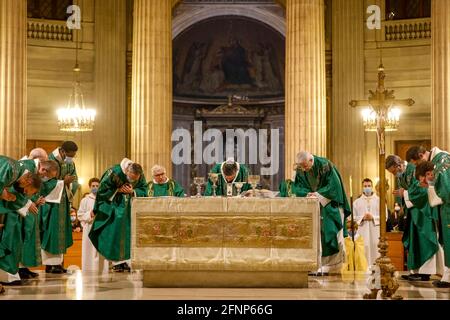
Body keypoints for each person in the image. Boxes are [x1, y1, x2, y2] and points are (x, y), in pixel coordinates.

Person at [279, 151, 351, 274]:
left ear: (311, 160)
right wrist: (307, 194)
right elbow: (297, 186)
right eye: (302, 167)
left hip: (329, 203)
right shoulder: (301, 168)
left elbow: (334, 186)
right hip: (313, 205)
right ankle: (315, 264)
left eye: (306, 166)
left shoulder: (325, 165)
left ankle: (332, 266)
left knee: (328, 231)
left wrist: (318, 194)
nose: (304, 170)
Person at [89, 159, 148, 273]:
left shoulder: (139, 173)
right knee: (114, 232)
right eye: (130, 178)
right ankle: (116, 262)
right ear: (126, 171)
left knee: (128, 233)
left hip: (130, 208)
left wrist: (133, 191)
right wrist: (117, 190)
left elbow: (144, 189)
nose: (131, 181)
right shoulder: (113, 172)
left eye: (134, 179)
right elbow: (102, 190)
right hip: (113, 208)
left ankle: (125, 261)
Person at [408, 146, 450, 288]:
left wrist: (432, 187)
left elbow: (446, 190)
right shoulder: (437, 162)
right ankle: (448, 275)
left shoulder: (441, 161)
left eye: (417, 163)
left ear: (421, 155)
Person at [40, 141, 80, 274]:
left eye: (73, 156)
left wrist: (70, 184)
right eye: (70, 155)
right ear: (62, 151)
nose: (71, 158)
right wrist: (63, 182)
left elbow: (75, 180)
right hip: (50, 203)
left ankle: (58, 264)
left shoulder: (70, 163)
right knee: (52, 232)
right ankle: (50, 265)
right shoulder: (49, 160)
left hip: (63, 201)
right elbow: (44, 182)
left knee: (61, 233)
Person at [18, 152, 59, 280]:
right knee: (23, 236)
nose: (45, 179)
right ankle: (19, 268)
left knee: (29, 236)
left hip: (29, 209)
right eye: (47, 176)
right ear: (43, 169)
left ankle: (24, 267)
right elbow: (19, 190)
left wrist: (36, 202)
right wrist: (29, 203)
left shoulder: (35, 170)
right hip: (19, 210)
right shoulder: (26, 168)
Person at [0, 173, 42, 286]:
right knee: (8, 243)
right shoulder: (11, 175)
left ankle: (11, 274)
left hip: (14, 215)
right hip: (8, 216)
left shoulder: (19, 178)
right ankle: (6, 276)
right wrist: (27, 204)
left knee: (15, 244)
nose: (25, 192)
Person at [77, 178, 108, 273]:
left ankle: (102, 270)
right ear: (89, 187)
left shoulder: (104, 200)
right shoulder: (85, 200)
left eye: (97, 186)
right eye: (93, 186)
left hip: (101, 229)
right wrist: (90, 214)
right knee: (89, 251)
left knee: (100, 251)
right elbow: (79, 215)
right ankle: (88, 270)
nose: (95, 188)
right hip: (89, 228)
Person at [352, 178, 380, 268]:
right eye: (365, 186)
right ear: (362, 187)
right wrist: (362, 218)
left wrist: (373, 217)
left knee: (375, 247)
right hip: (362, 230)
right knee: (364, 247)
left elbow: (385, 217)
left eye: (369, 186)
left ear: (372, 187)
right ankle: (364, 267)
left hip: (375, 230)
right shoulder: (356, 202)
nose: (367, 188)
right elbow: (352, 218)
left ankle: (376, 268)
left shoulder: (379, 200)